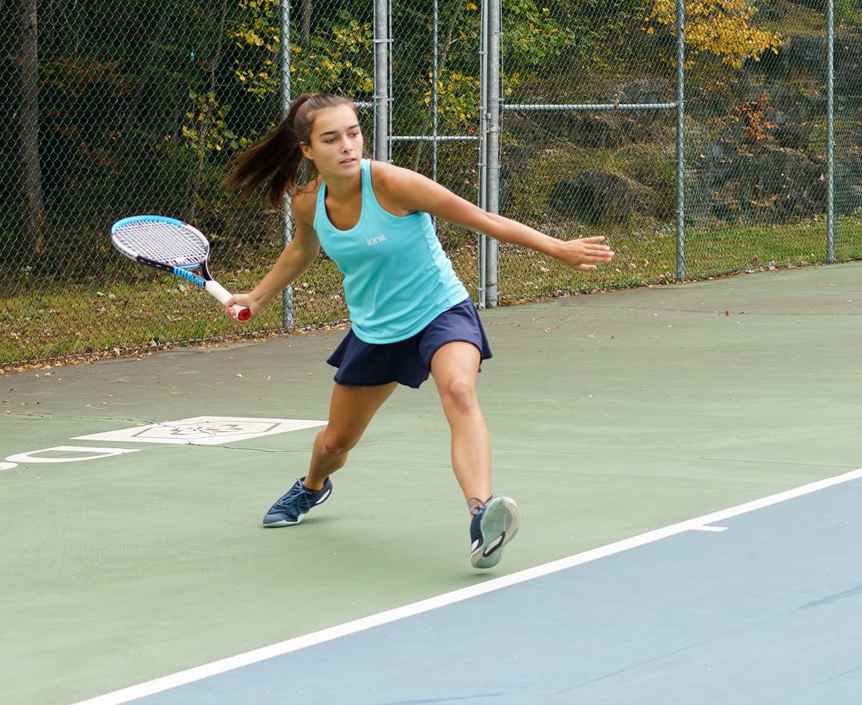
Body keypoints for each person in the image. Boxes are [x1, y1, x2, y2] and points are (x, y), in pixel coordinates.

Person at [222, 92, 613, 569]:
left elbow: (482, 219)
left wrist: (558, 249)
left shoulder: (393, 184)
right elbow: (302, 250)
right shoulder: (308, 204)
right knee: (334, 444)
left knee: (460, 391)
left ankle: (481, 517)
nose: (347, 146)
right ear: (307, 150)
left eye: (354, 133)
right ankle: (311, 489)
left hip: (439, 311)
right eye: (331, 138)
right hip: (375, 330)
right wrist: (258, 296)